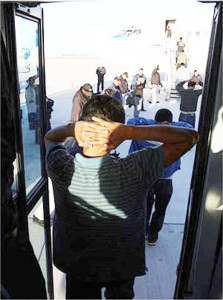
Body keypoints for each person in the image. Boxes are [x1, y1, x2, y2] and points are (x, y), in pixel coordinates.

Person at [45, 94, 198, 299]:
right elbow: (189, 137)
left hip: (77, 265)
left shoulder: (61, 167)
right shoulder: (136, 168)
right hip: (122, 264)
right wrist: (127, 131)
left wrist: (73, 128)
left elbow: (50, 137)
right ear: (117, 139)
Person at [127, 109, 193, 246]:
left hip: (147, 177)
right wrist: (170, 125)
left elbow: (131, 122)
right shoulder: (176, 137)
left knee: (146, 206)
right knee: (160, 208)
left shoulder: (143, 135)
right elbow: (190, 129)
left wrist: (153, 125)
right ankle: (153, 234)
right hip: (166, 179)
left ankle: (144, 232)